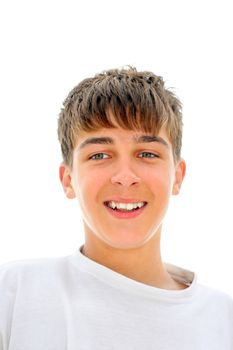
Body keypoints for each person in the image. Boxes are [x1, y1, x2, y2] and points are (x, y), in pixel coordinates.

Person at [0, 67, 232, 350]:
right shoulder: (15, 295)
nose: (125, 175)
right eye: (99, 155)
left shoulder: (223, 320)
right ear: (68, 179)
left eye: (147, 154)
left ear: (178, 176)